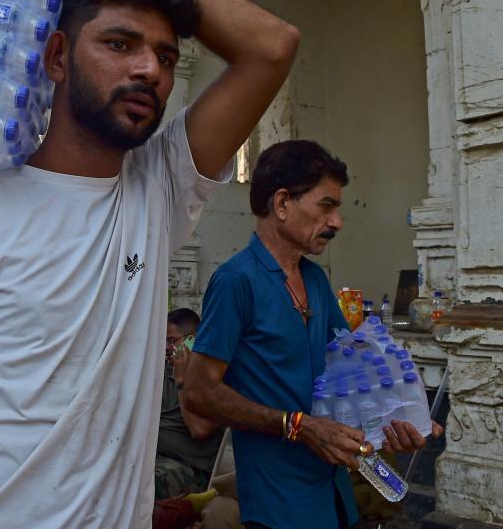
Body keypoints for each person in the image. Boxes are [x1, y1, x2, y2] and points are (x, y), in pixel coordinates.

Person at [0, 0, 302, 528]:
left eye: (166, 57)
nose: (148, 69)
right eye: (119, 44)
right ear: (59, 58)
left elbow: (272, 46)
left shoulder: (157, 189)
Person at [184, 140, 443, 529]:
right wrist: (296, 426)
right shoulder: (236, 281)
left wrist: (400, 417)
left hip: (336, 497)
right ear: (283, 203)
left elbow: (349, 373)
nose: (337, 221)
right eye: (327, 206)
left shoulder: (314, 279)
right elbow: (199, 393)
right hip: (278, 506)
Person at [156, 308, 224, 499]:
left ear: (192, 339)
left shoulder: (213, 379)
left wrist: (181, 381)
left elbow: (199, 430)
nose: (168, 348)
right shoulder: (162, 372)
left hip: (190, 469)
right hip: (156, 457)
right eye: (165, 342)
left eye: (172, 341)